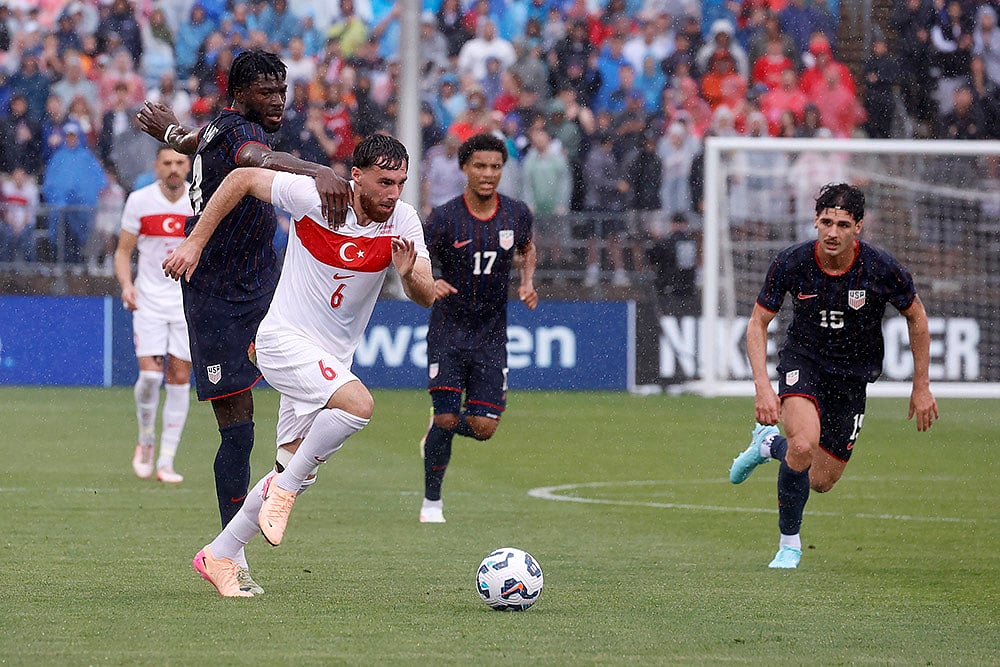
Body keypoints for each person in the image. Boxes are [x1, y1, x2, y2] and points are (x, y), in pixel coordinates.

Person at [174, 134, 434, 597]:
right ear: (357, 176)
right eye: (384, 182)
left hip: (328, 362)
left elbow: (425, 294)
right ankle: (285, 493)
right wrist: (194, 243)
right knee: (357, 405)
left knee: (290, 467)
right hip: (282, 341)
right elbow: (240, 178)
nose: (393, 194)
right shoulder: (316, 197)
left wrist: (409, 271)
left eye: (401, 183)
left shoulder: (404, 220)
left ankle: (219, 554)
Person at [136, 49, 351, 595]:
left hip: (264, 288)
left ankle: (292, 465)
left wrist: (172, 133)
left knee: (314, 381)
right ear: (239, 94)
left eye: (282, 90)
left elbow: (196, 144)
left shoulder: (213, 130)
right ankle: (228, 553)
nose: (278, 99)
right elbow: (253, 156)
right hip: (215, 296)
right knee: (238, 428)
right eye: (266, 90)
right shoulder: (238, 132)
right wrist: (315, 168)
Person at [729, 183, 939, 570]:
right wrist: (762, 386)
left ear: (858, 227)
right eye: (826, 221)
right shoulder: (792, 262)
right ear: (815, 221)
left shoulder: (880, 268)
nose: (832, 232)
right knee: (804, 446)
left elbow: (916, 317)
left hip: (852, 378)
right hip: (803, 364)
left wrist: (921, 385)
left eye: (842, 224)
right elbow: (758, 323)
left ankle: (768, 445)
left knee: (821, 480)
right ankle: (788, 545)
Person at [419, 132, 539, 524]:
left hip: (491, 336)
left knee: (483, 427)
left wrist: (527, 282)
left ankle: (438, 433)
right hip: (448, 331)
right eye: (480, 166)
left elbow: (526, 248)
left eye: (495, 167)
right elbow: (413, 254)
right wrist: (429, 281)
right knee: (447, 417)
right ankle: (432, 503)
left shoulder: (516, 213)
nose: (488, 174)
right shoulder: (444, 217)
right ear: (464, 168)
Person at [113, 146, 194, 484]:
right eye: (167, 163)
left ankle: (166, 460)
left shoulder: (201, 200)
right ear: (156, 167)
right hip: (148, 299)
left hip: (187, 303)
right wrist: (126, 285)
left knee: (179, 378)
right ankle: (146, 438)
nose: (174, 169)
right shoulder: (140, 200)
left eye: (179, 163)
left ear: (188, 165)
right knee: (149, 377)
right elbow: (123, 251)